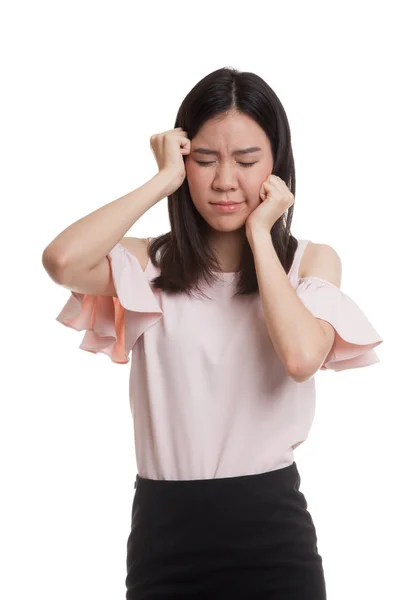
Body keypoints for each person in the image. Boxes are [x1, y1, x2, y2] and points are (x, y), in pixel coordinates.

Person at [42, 66, 383, 599]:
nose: (225, 180)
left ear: (276, 167)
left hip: (273, 544)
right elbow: (61, 261)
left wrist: (260, 234)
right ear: (182, 162)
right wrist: (159, 183)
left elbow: (300, 357)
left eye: (247, 161)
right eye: (204, 160)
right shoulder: (145, 265)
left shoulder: (311, 263)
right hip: (164, 539)